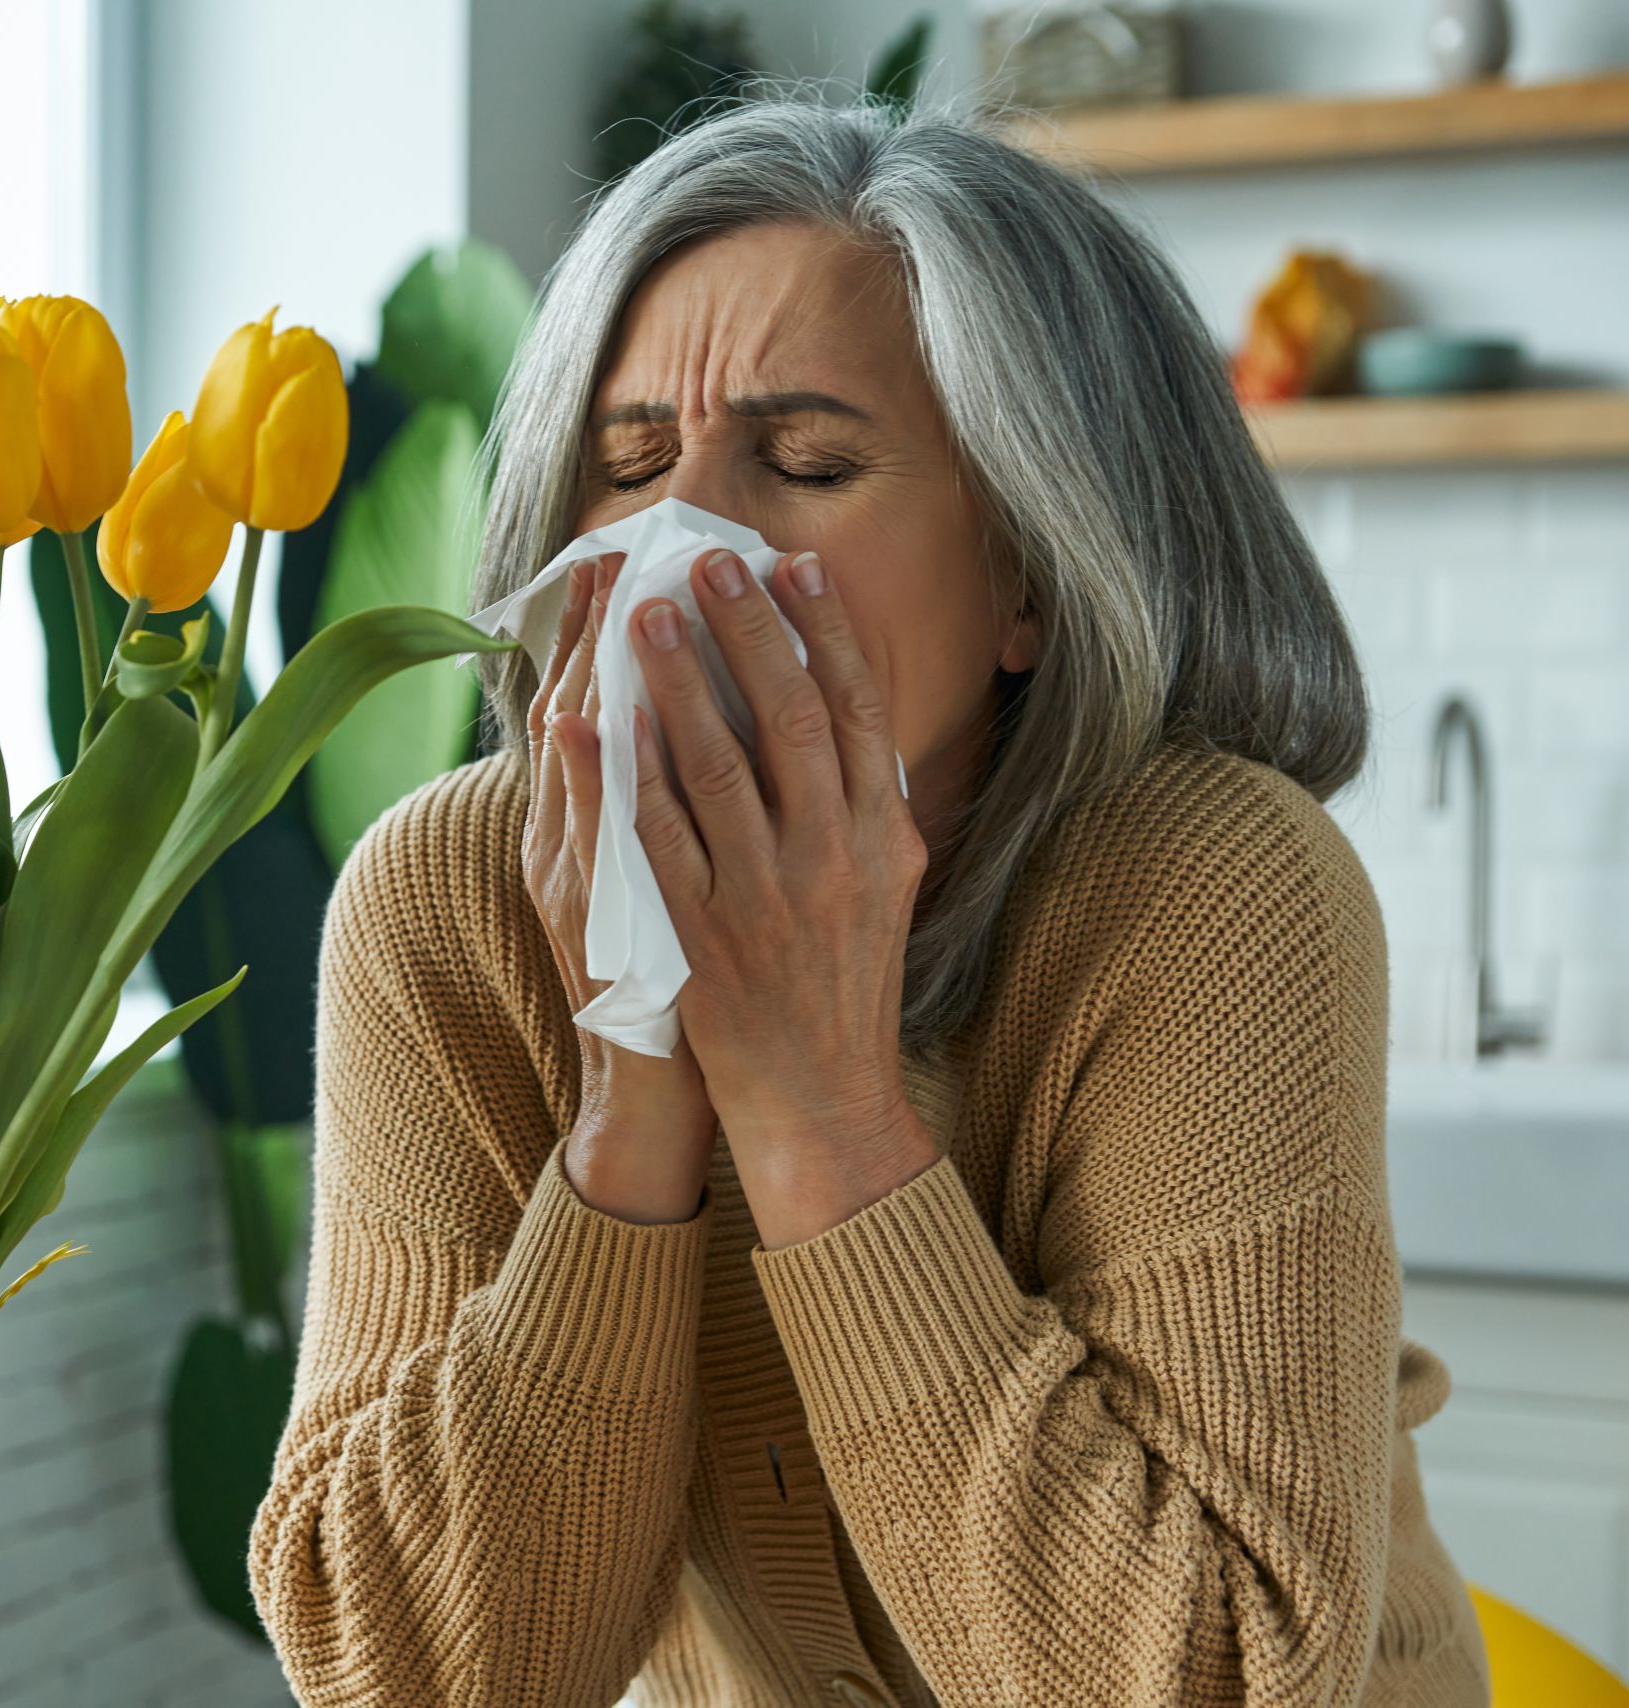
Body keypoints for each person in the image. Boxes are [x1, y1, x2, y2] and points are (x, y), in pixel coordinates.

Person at [246, 97, 1489, 1707]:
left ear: (1029, 577)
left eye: (809, 461)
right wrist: (634, 1090)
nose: (678, 548)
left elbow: (1210, 1678)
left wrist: (814, 1100)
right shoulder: (442, 908)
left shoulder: (1217, 892)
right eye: (627, 469)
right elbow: (401, 1672)